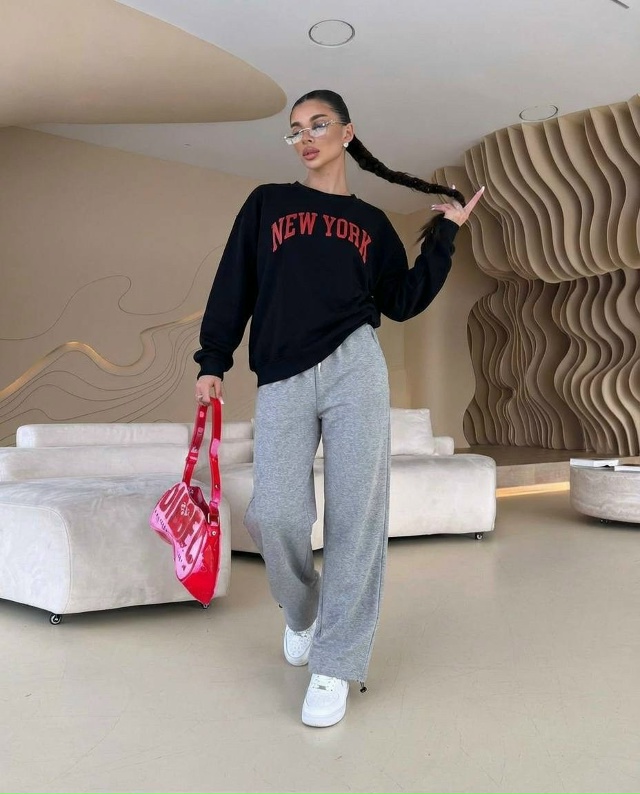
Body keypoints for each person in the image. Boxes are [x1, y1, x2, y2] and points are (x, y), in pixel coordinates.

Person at [194, 89, 484, 728]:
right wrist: (213, 359)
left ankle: (336, 662)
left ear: (347, 133)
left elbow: (402, 300)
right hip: (284, 372)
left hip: (356, 365)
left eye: (317, 124)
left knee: (358, 517)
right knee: (275, 513)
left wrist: (447, 234)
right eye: (295, 129)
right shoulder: (268, 203)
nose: (305, 137)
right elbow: (234, 282)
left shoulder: (372, 224)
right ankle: (303, 613)